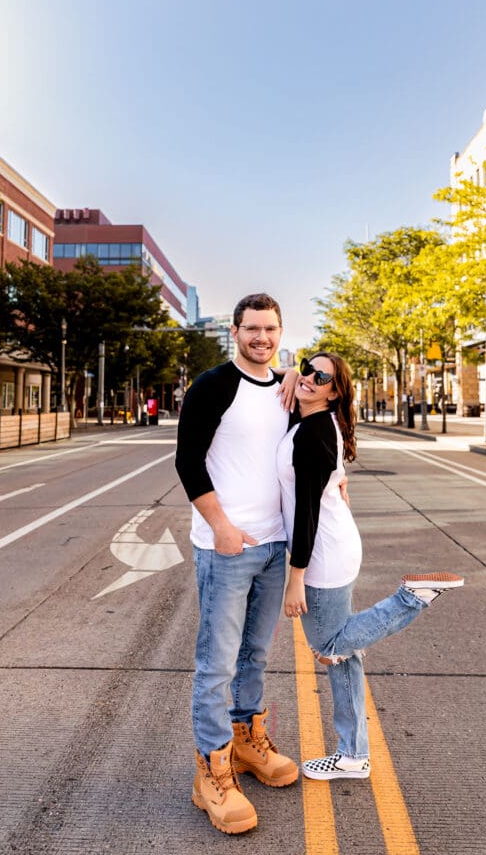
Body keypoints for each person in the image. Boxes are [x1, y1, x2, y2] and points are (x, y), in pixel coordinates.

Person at [278, 352, 464, 781]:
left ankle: (409, 599)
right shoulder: (313, 424)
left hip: (323, 553)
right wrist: (291, 372)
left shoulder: (313, 432)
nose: (308, 376)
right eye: (307, 366)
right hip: (335, 543)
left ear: (335, 391)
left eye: (319, 375)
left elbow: (306, 511)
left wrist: (296, 578)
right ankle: (353, 756)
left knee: (329, 649)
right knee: (343, 655)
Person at [175, 293, 299, 835]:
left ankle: (247, 742)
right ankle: (211, 769)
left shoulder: (288, 388)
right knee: (217, 661)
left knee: (255, 655)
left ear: (279, 331)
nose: (262, 338)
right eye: (252, 329)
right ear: (235, 331)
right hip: (226, 547)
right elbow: (187, 459)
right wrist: (223, 529)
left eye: (270, 329)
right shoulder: (212, 386)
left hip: (275, 546)